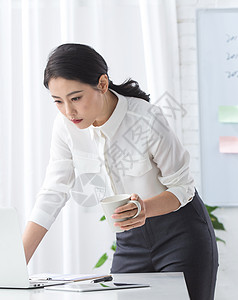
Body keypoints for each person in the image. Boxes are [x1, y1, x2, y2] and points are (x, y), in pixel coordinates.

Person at [22, 43, 218, 300]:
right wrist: (16, 264)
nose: (69, 111)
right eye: (58, 101)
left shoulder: (147, 119)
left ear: (102, 84)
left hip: (181, 235)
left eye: (76, 98)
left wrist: (144, 209)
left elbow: (183, 188)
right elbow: (52, 193)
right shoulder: (65, 128)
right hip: (130, 240)